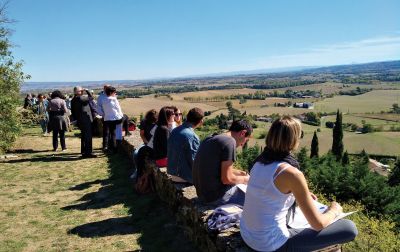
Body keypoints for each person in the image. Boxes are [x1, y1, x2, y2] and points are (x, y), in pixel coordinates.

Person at [240, 116, 358, 252]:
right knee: (349, 229)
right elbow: (318, 224)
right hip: (269, 244)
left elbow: (269, 193)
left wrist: (302, 194)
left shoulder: (259, 162)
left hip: (247, 234)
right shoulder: (291, 173)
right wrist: (334, 210)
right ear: (294, 139)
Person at [192, 120, 252, 206]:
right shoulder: (230, 142)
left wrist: (240, 173)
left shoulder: (211, 138)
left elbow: (215, 167)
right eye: (246, 140)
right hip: (215, 197)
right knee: (256, 201)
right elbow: (227, 179)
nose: (243, 144)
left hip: (202, 194)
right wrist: (246, 180)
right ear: (243, 133)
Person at [167, 107, 204, 183]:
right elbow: (195, 162)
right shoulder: (192, 137)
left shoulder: (175, 130)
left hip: (172, 172)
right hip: (183, 176)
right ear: (200, 121)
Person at [71, 86, 96, 158]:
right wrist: (87, 91)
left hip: (80, 120)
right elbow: (91, 98)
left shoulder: (73, 100)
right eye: (80, 91)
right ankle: (88, 153)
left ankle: (84, 152)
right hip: (86, 120)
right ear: (76, 92)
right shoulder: (81, 98)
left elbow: (73, 111)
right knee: (88, 136)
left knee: (84, 136)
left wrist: (76, 119)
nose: (82, 91)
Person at [99, 86, 124, 153]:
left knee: (106, 133)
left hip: (106, 118)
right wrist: (121, 116)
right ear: (111, 92)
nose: (115, 93)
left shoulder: (103, 99)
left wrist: (103, 114)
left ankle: (106, 147)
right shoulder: (114, 99)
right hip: (114, 118)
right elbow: (118, 109)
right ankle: (114, 148)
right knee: (113, 133)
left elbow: (99, 109)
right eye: (114, 92)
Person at [97, 85, 111, 151]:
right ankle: (105, 146)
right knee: (106, 132)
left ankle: (111, 145)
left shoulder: (112, 95)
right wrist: (103, 115)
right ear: (104, 89)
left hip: (113, 117)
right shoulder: (101, 97)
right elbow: (99, 108)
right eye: (107, 88)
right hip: (106, 117)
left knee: (112, 132)